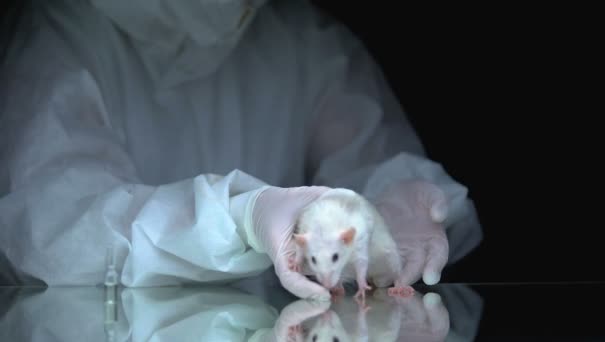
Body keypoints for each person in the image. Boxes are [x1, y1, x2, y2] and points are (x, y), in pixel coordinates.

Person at [0, 0, 482, 300]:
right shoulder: (63, 30)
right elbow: (57, 228)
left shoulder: (301, 37)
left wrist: (397, 203)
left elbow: (374, 158)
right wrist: (240, 218)